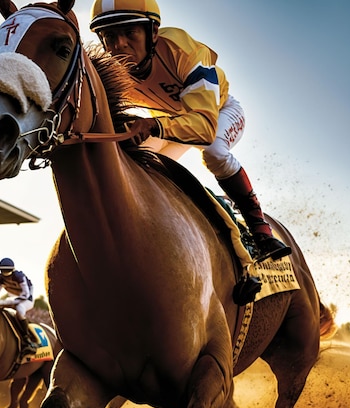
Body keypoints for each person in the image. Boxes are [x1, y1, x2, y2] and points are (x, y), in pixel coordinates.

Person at [89, 0, 291, 263]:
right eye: (110, 36)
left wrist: (152, 125)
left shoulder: (181, 49)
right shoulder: (110, 69)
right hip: (169, 120)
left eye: (130, 33)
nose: (120, 46)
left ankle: (260, 229)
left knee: (214, 151)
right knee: (135, 166)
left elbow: (204, 129)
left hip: (218, 113)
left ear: (153, 33)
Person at [0, 258, 37, 356]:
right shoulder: (0, 278)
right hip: (13, 297)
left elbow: (25, 294)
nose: (5, 275)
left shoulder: (19, 276)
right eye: (3, 271)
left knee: (20, 309)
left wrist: (6, 302)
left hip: (27, 298)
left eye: (7, 271)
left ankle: (27, 338)